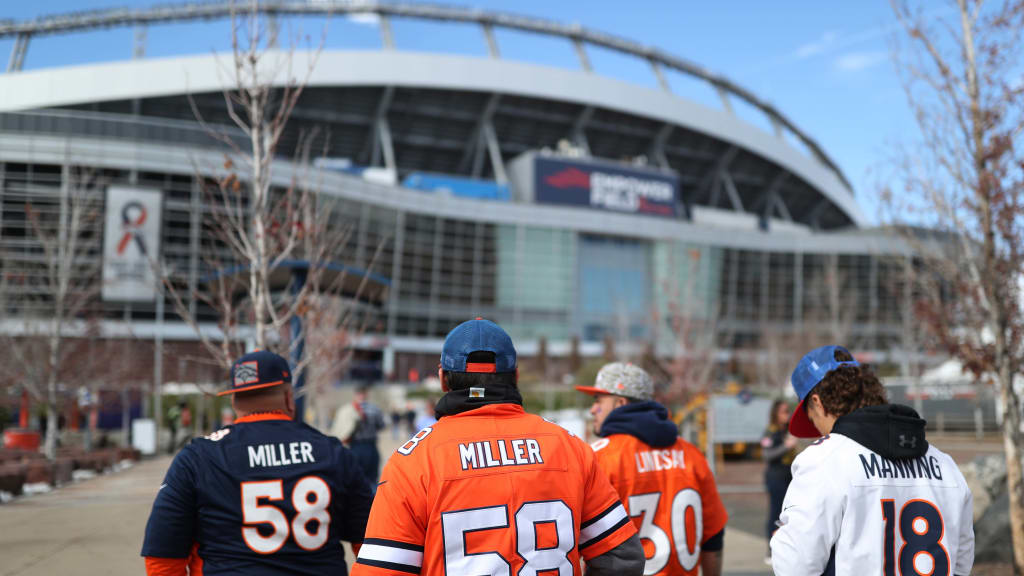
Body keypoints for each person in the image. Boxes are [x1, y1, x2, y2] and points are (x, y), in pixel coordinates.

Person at [352, 318, 644, 576]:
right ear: (515, 377)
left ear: (443, 379)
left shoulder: (413, 461)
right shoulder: (570, 447)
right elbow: (621, 557)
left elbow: (381, 571)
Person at [141, 350, 373, 576]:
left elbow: (163, 554)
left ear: (234, 400)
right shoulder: (333, 452)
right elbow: (373, 546)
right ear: (288, 397)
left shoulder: (198, 457)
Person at [770, 345, 974, 576]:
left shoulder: (824, 460)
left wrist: (782, 541)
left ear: (817, 402)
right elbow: (961, 562)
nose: (817, 430)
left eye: (811, 418)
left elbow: (795, 567)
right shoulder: (945, 464)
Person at [576, 362, 728, 576]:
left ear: (620, 402)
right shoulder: (692, 454)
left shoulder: (601, 456)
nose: (593, 409)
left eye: (598, 400)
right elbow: (713, 536)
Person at [760, 399, 797, 565]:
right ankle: (771, 548)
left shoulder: (787, 430)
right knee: (775, 511)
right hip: (775, 476)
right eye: (783, 411)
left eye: (787, 411)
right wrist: (786, 447)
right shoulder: (771, 431)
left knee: (790, 512)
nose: (786, 415)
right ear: (776, 413)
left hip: (788, 475)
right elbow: (767, 455)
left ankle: (786, 547)